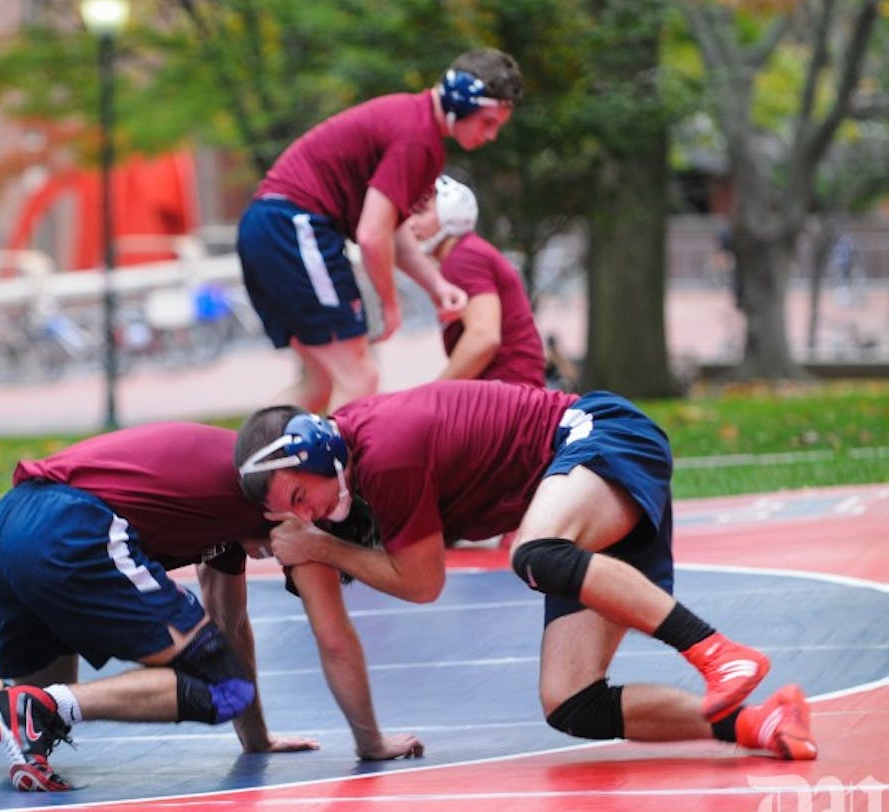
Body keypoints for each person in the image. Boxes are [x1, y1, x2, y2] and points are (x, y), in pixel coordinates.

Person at [0, 422, 376, 794]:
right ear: (289, 483)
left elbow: (230, 623)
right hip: (68, 528)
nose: (287, 545)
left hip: (7, 529)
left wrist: (258, 742)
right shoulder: (257, 492)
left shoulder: (239, 502)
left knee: (28, 701)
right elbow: (227, 656)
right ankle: (41, 710)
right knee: (222, 688)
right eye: (309, 511)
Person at [232, 382, 818, 762]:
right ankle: (759, 724)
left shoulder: (384, 454)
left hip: (601, 435)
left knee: (533, 551)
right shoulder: (352, 473)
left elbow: (422, 582)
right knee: (570, 703)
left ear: (313, 448)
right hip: (580, 500)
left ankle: (718, 652)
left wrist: (321, 548)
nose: (305, 514)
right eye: (291, 511)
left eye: (300, 494)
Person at [235, 48, 523, 413]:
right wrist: (390, 305)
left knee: (322, 382)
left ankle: (251, 464)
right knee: (359, 378)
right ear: (460, 101)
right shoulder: (418, 138)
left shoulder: (414, 124)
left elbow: (392, 228)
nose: (492, 135)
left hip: (273, 227)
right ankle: (340, 472)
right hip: (293, 228)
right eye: (488, 121)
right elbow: (373, 235)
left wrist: (435, 287)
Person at [406, 175, 545, 388]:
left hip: (506, 388)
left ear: (450, 213)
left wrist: (435, 391)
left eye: (420, 212)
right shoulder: (467, 253)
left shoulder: (463, 258)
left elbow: (483, 336)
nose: (411, 223)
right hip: (511, 386)